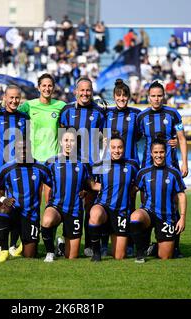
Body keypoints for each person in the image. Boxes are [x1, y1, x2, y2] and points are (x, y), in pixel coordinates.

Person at [137, 80, 188, 258]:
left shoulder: (173, 114)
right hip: (147, 167)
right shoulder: (141, 117)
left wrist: (184, 162)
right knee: (146, 204)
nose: (156, 99)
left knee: (172, 205)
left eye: (159, 95)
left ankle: (175, 246)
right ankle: (145, 244)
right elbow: (131, 137)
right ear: (148, 97)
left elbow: (181, 138)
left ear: (163, 96)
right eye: (153, 96)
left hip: (170, 166)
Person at [59, 77, 106, 257]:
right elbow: (63, 140)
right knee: (70, 204)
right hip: (72, 167)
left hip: (93, 167)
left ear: (92, 92)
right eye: (82, 90)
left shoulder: (100, 112)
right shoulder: (66, 111)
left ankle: (90, 244)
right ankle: (65, 239)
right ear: (76, 91)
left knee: (90, 206)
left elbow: (106, 137)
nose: (85, 93)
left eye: (88, 90)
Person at [0, 138, 52, 262]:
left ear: (31, 149)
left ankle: (23, 244)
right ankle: (4, 250)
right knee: (3, 210)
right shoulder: (7, 168)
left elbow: (55, 185)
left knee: (30, 255)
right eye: (20, 148)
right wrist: (4, 199)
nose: (23, 151)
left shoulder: (41, 168)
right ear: (15, 150)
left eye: (25, 148)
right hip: (13, 212)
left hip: (31, 216)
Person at [101, 79, 142, 257]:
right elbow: (100, 138)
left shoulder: (136, 115)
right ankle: (103, 243)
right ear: (114, 96)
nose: (122, 98)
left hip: (130, 166)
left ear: (129, 96)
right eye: (118, 95)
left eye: (125, 95)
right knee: (105, 201)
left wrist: (170, 141)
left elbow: (145, 135)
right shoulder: (106, 115)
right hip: (109, 166)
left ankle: (131, 243)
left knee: (130, 203)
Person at [130, 139, 187, 263]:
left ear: (166, 153)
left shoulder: (174, 173)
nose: (158, 155)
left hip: (167, 216)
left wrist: (182, 218)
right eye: (155, 152)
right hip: (149, 213)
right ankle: (140, 253)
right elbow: (133, 191)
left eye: (161, 152)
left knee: (165, 256)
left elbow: (181, 195)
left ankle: (154, 247)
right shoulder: (143, 173)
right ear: (151, 153)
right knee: (135, 217)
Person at [41, 129, 92, 262]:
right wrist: (48, 205)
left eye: (72, 140)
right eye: (66, 140)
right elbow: (47, 184)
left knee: (71, 257)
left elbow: (89, 184)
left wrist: (85, 191)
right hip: (57, 206)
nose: (69, 143)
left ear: (76, 143)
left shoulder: (84, 163)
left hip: (75, 210)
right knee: (47, 220)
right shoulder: (51, 162)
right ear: (61, 142)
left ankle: (61, 246)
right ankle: (50, 253)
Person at [88, 134, 140, 262]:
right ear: (108, 149)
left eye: (120, 147)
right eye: (113, 147)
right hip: (104, 208)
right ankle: (96, 252)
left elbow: (140, 182)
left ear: (124, 148)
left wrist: (133, 189)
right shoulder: (99, 165)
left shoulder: (132, 165)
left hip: (121, 212)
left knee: (119, 256)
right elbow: (90, 182)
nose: (117, 151)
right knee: (94, 213)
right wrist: (91, 188)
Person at [0, 85, 30, 257]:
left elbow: (27, 142)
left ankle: (13, 244)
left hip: (18, 169)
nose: (14, 101)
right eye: (11, 97)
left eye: (17, 98)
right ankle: (0, 245)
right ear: (5, 97)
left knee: (16, 205)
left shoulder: (24, 118)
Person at [17, 73, 66, 205]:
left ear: (54, 88)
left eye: (50, 85)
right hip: (33, 159)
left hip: (53, 159)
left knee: (50, 202)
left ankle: (47, 226)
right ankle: (33, 226)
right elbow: (13, 115)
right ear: (38, 88)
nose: (47, 88)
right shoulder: (28, 106)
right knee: (33, 201)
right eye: (44, 85)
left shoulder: (61, 106)